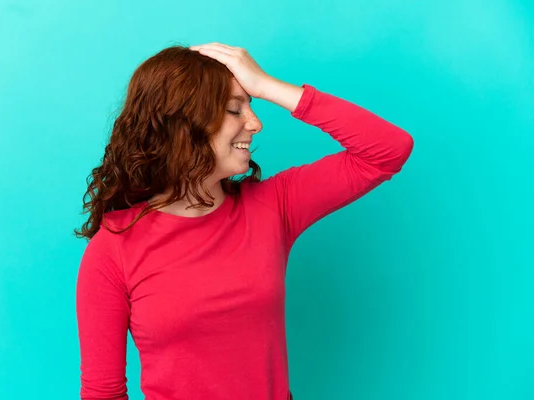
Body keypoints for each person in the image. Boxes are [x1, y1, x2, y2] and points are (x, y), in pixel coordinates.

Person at [74, 42, 414, 400]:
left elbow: (388, 150)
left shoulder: (273, 206)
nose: (255, 123)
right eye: (235, 109)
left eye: (251, 104)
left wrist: (266, 84)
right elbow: (103, 392)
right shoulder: (113, 247)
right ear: (183, 125)